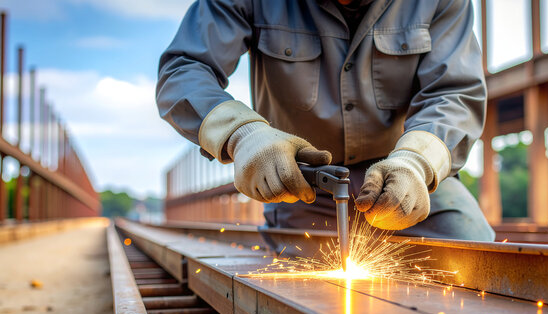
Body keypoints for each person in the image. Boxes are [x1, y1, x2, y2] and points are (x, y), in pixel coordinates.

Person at [156, 0, 495, 243]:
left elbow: (454, 93)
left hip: (404, 176)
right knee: (292, 298)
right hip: (302, 186)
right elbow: (184, 70)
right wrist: (242, 135)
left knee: (474, 252)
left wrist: (418, 162)